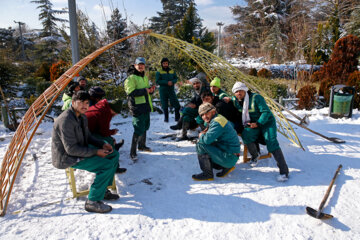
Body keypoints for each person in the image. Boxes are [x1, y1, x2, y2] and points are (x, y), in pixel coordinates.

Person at [51, 91, 119, 213]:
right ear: (73, 102)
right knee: (106, 166)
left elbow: (87, 136)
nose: (84, 106)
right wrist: (96, 152)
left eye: (87, 103)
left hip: (80, 149)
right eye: (81, 102)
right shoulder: (66, 120)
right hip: (68, 157)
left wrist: (102, 144)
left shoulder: (81, 116)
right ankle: (92, 201)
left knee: (114, 154)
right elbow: (71, 149)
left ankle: (102, 190)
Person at [231, 82, 289, 182]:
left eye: (240, 90)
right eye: (236, 91)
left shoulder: (256, 98)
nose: (238, 93)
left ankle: (284, 171)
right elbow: (227, 98)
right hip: (253, 123)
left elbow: (266, 112)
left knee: (271, 142)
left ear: (245, 90)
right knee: (246, 135)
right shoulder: (237, 101)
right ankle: (255, 155)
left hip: (266, 122)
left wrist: (258, 123)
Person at [192, 102, 241, 181]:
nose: (204, 116)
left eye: (206, 113)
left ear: (213, 112)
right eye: (202, 115)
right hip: (232, 154)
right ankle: (226, 166)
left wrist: (201, 135)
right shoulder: (218, 118)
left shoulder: (216, 122)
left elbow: (207, 140)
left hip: (229, 156)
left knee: (200, 144)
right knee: (210, 144)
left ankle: (207, 174)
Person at [124, 57, 155, 161]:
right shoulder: (131, 78)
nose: (141, 66)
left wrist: (150, 91)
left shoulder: (144, 77)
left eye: (142, 64)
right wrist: (145, 90)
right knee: (138, 129)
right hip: (137, 107)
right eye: (139, 64)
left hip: (146, 106)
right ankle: (133, 152)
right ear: (135, 65)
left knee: (145, 127)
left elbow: (145, 92)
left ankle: (142, 145)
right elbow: (131, 93)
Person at [85, 98, 126, 174]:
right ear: (114, 110)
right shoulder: (105, 112)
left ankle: (115, 149)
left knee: (110, 139)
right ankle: (114, 166)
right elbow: (104, 132)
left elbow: (101, 128)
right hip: (85, 134)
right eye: (116, 113)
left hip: (88, 130)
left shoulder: (102, 106)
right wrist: (112, 132)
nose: (116, 115)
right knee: (109, 142)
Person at [155, 58, 181, 122]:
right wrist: (166, 82)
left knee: (176, 103)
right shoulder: (159, 71)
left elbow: (175, 78)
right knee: (164, 104)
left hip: (171, 89)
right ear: (162, 64)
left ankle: (177, 118)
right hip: (163, 90)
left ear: (168, 63)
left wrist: (172, 82)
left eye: (166, 63)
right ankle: (166, 118)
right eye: (164, 63)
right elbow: (158, 81)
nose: (165, 65)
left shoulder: (172, 71)